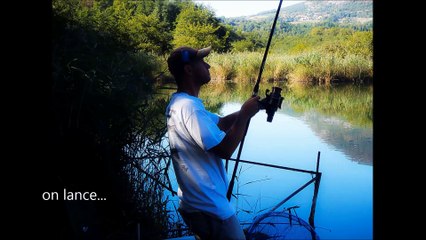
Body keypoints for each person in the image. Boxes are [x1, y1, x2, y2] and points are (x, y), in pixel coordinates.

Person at [165, 46, 260, 240]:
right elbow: (224, 150)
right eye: (201, 61)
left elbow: (223, 123)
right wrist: (244, 116)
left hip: (195, 204)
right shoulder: (190, 108)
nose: (208, 64)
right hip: (209, 207)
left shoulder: (179, 103)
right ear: (189, 70)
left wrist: (255, 107)